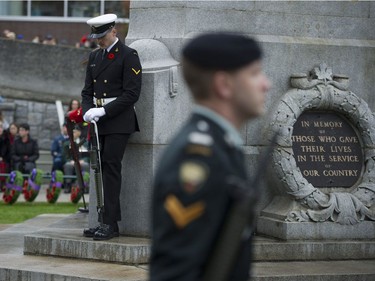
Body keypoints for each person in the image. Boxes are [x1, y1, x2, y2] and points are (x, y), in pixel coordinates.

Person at [150, 33, 271, 281]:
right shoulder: (197, 159)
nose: (266, 84)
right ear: (224, 85)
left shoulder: (221, 147)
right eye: (254, 73)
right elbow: (177, 272)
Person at [81, 14, 142, 240]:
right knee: (99, 169)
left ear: (114, 31)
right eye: (96, 36)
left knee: (110, 168)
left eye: (102, 36)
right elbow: (87, 91)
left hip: (118, 120)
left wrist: (105, 110)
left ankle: (110, 223)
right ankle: (101, 220)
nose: (99, 40)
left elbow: (132, 93)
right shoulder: (95, 56)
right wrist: (88, 110)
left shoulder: (128, 55)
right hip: (98, 121)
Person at [62, 125, 89, 193]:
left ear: (79, 133)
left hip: (82, 161)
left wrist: (84, 160)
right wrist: (70, 161)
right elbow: (65, 156)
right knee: (68, 165)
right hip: (71, 162)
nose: (71, 134)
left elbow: (88, 155)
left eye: (74, 132)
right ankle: (68, 185)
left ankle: (85, 185)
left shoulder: (85, 143)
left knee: (85, 165)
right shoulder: (66, 143)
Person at [0, 121, 11, 190]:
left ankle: (2, 184)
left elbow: (8, 152)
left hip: (4, 159)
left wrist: (2, 158)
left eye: (1, 127)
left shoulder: (6, 139)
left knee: (4, 164)